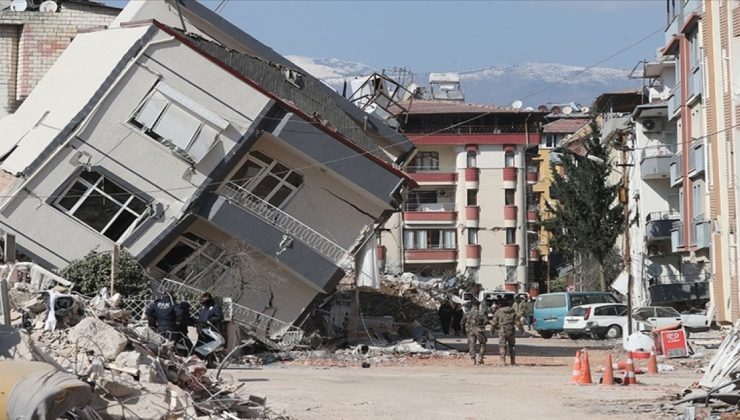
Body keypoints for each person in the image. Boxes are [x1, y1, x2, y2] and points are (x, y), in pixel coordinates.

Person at [462, 300, 488, 365]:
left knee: (471, 344)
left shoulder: (467, 313)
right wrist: (482, 325)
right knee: (482, 344)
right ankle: (480, 358)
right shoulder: (481, 313)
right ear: (478, 306)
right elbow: (486, 321)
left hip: (470, 330)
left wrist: (463, 330)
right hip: (479, 330)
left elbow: (462, 322)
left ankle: (473, 359)